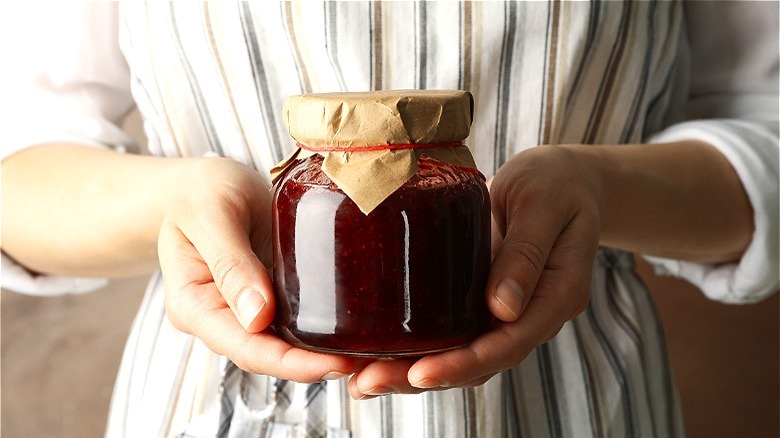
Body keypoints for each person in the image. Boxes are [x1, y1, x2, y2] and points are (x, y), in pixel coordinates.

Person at [2, 2, 777, 437]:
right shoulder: (313, 184)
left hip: (576, 405)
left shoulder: (450, 178)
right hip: (212, 404)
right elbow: (17, 173)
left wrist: (599, 189)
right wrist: (176, 201)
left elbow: (765, 126)